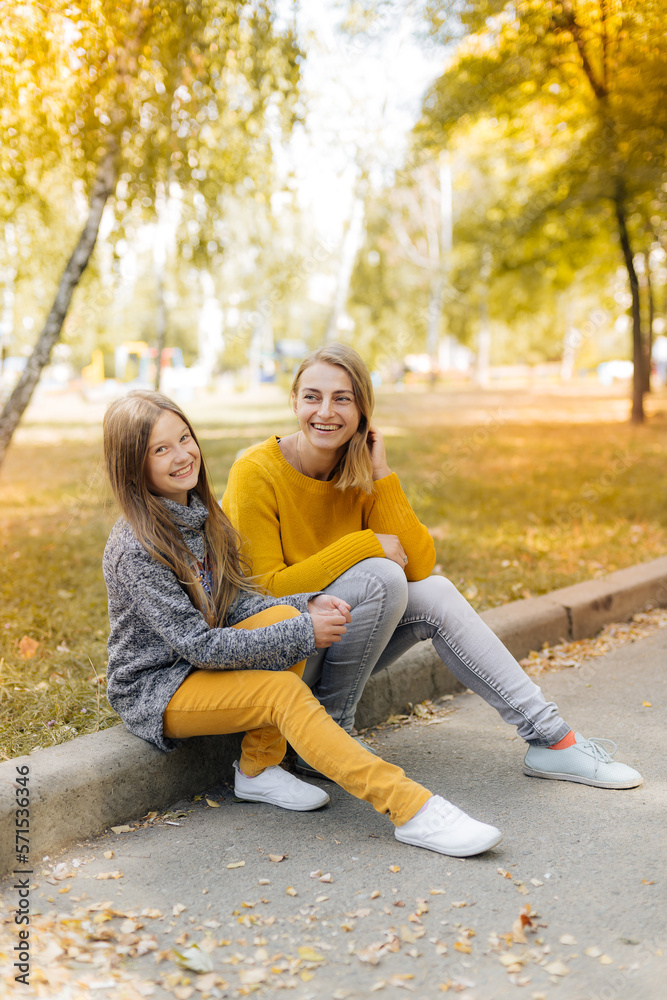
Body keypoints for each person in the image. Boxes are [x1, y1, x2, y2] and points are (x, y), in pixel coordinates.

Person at [101, 388, 503, 859]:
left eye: (184, 438)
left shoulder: (202, 515)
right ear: (133, 465)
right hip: (160, 686)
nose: (182, 455)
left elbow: (234, 604)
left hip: (198, 662)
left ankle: (256, 770)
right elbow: (199, 646)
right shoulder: (136, 546)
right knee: (282, 689)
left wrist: (307, 607)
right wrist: (302, 633)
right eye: (160, 449)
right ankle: (411, 809)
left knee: (285, 617)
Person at [222, 344, 642, 791]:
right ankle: (328, 737)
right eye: (312, 397)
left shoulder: (358, 472)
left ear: (363, 409)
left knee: (435, 592)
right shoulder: (256, 472)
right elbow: (265, 592)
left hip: (327, 640)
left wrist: (381, 474)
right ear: (294, 402)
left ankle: (552, 740)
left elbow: (419, 565)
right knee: (381, 575)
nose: (325, 411)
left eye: (342, 398)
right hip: (269, 655)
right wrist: (365, 545)